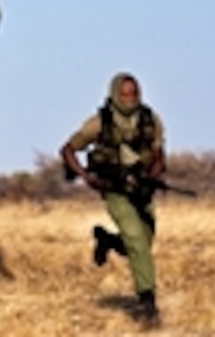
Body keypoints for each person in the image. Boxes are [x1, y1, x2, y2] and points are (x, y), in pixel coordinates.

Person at [61, 72, 166, 329]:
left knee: (142, 241)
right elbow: (67, 150)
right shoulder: (99, 123)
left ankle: (107, 240)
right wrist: (86, 177)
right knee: (137, 243)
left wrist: (149, 178)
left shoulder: (150, 120)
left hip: (141, 189)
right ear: (115, 94)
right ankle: (148, 304)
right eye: (125, 94)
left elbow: (159, 155)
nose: (130, 99)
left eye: (135, 94)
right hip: (114, 189)